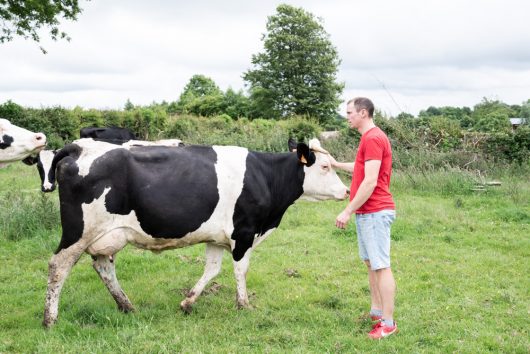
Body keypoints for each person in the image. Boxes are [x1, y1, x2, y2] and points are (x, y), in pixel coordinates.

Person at [331, 97, 397, 340]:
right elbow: (362, 169)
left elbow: (370, 181)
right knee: (372, 264)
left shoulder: (373, 138)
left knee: (381, 266)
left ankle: (388, 324)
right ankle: (377, 312)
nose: (347, 116)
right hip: (368, 212)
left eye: (349, 113)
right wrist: (336, 164)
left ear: (363, 113)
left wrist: (347, 210)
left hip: (376, 211)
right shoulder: (368, 138)